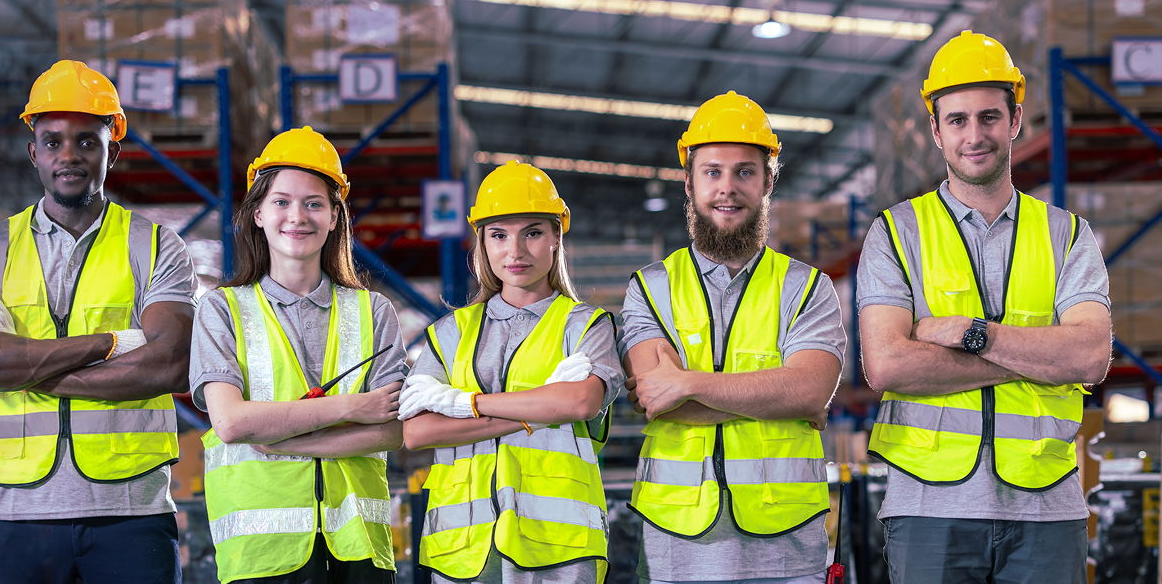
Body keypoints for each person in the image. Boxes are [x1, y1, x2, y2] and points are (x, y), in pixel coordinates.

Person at [857, 30, 1112, 583]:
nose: (974, 135)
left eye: (989, 117)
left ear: (1015, 119)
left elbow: (1091, 357)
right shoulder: (895, 233)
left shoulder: (1068, 235)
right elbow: (887, 365)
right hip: (928, 509)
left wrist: (975, 334)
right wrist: (1040, 358)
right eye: (958, 120)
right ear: (936, 130)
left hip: (1047, 506)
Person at [0, 60, 197, 584]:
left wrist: (19, 367)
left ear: (111, 152)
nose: (69, 155)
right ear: (33, 152)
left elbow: (170, 364)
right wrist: (107, 343)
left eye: (86, 141)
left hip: (130, 510)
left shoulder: (155, 245)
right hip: (12, 513)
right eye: (53, 141)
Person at [619, 91, 846, 584]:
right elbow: (658, 398)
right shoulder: (650, 288)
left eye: (744, 172)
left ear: (768, 181)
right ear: (689, 181)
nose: (727, 188)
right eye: (712, 172)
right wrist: (781, 397)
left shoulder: (807, 287)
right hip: (678, 543)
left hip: (787, 546)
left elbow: (810, 390)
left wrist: (689, 383)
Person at [189, 126, 408, 583]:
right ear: (258, 214)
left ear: (334, 217)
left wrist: (282, 437)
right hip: (262, 553)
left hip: (359, 549)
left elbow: (393, 429)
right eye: (281, 202)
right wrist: (352, 407)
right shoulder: (222, 309)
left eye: (313, 203)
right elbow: (231, 423)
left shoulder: (374, 311)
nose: (297, 216)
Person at [400, 160, 623, 584]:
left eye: (532, 233)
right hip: (463, 549)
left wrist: (461, 404)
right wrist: (541, 407)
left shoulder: (585, 325)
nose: (515, 251)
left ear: (556, 237)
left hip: (557, 547)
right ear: (482, 243)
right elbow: (417, 431)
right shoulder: (450, 332)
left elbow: (580, 402)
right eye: (499, 235)